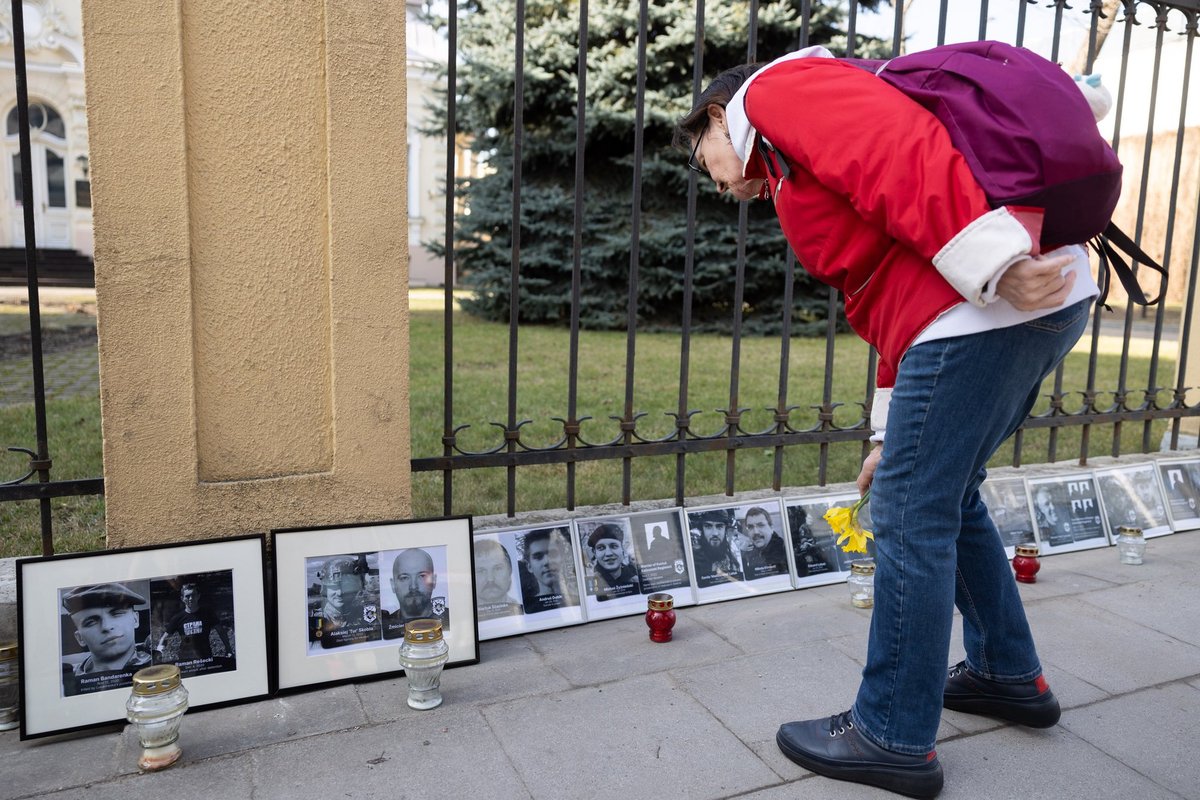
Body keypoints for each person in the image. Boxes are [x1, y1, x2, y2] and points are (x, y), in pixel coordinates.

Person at [678, 45, 1094, 797]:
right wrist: (886, 433)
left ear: (717, 114)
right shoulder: (787, 159)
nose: (714, 177)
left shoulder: (775, 92)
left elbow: (896, 153)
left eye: (703, 155)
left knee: (908, 514)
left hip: (989, 305)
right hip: (1012, 309)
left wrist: (997, 261)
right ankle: (1007, 673)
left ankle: (892, 734)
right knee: (945, 495)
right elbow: (888, 288)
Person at [61, 583, 153, 695]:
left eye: (117, 614)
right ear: (80, 638)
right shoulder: (68, 681)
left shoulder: (156, 664)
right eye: (91, 622)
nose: (106, 626)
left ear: (135, 619)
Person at [155, 582, 234, 666]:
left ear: (198, 596)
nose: (191, 598)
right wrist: (158, 654)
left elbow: (221, 632)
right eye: (187, 596)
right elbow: (165, 638)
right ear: (182, 598)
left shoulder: (207, 613)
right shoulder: (177, 618)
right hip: (186, 661)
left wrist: (228, 649)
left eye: (193, 595)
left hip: (206, 659)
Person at [309, 555, 379, 649]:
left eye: (347, 587)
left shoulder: (367, 614)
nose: (340, 593)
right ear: (325, 589)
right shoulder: (313, 620)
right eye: (334, 587)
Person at [382, 547, 450, 639]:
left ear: (434, 580)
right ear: (393, 585)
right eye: (404, 578)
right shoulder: (385, 627)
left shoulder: (451, 619)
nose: (413, 586)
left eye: (422, 576)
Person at [519, 527, 577, 613]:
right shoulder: (525, 609)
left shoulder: (578, 603)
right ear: (529, 566)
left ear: (562, 559)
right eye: (538, 557)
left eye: (552, 554)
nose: (547, 562)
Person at [689, 508, 743, 587]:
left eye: (719, 526)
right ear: (702, 529)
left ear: (725, 529)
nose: (715, 533)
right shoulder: (692, 560)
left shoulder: (733, 559)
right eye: (708, 526)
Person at [585, 523, 640, 601]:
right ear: (594, 552)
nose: (608, 553)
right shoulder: (592, 583)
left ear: (622, 549)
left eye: (614, 546)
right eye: (601, 548)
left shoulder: (635, 579)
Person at [475, 538, 524, 621]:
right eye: (481, 571)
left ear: (510, 571)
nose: (490, 579)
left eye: (497, 568)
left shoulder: (522, 610)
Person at [739, 506, 788, 579]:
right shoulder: (749, 551)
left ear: (771, 527)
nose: (756, 532)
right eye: (750, 527)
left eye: (761, 525)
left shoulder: (785, 551)